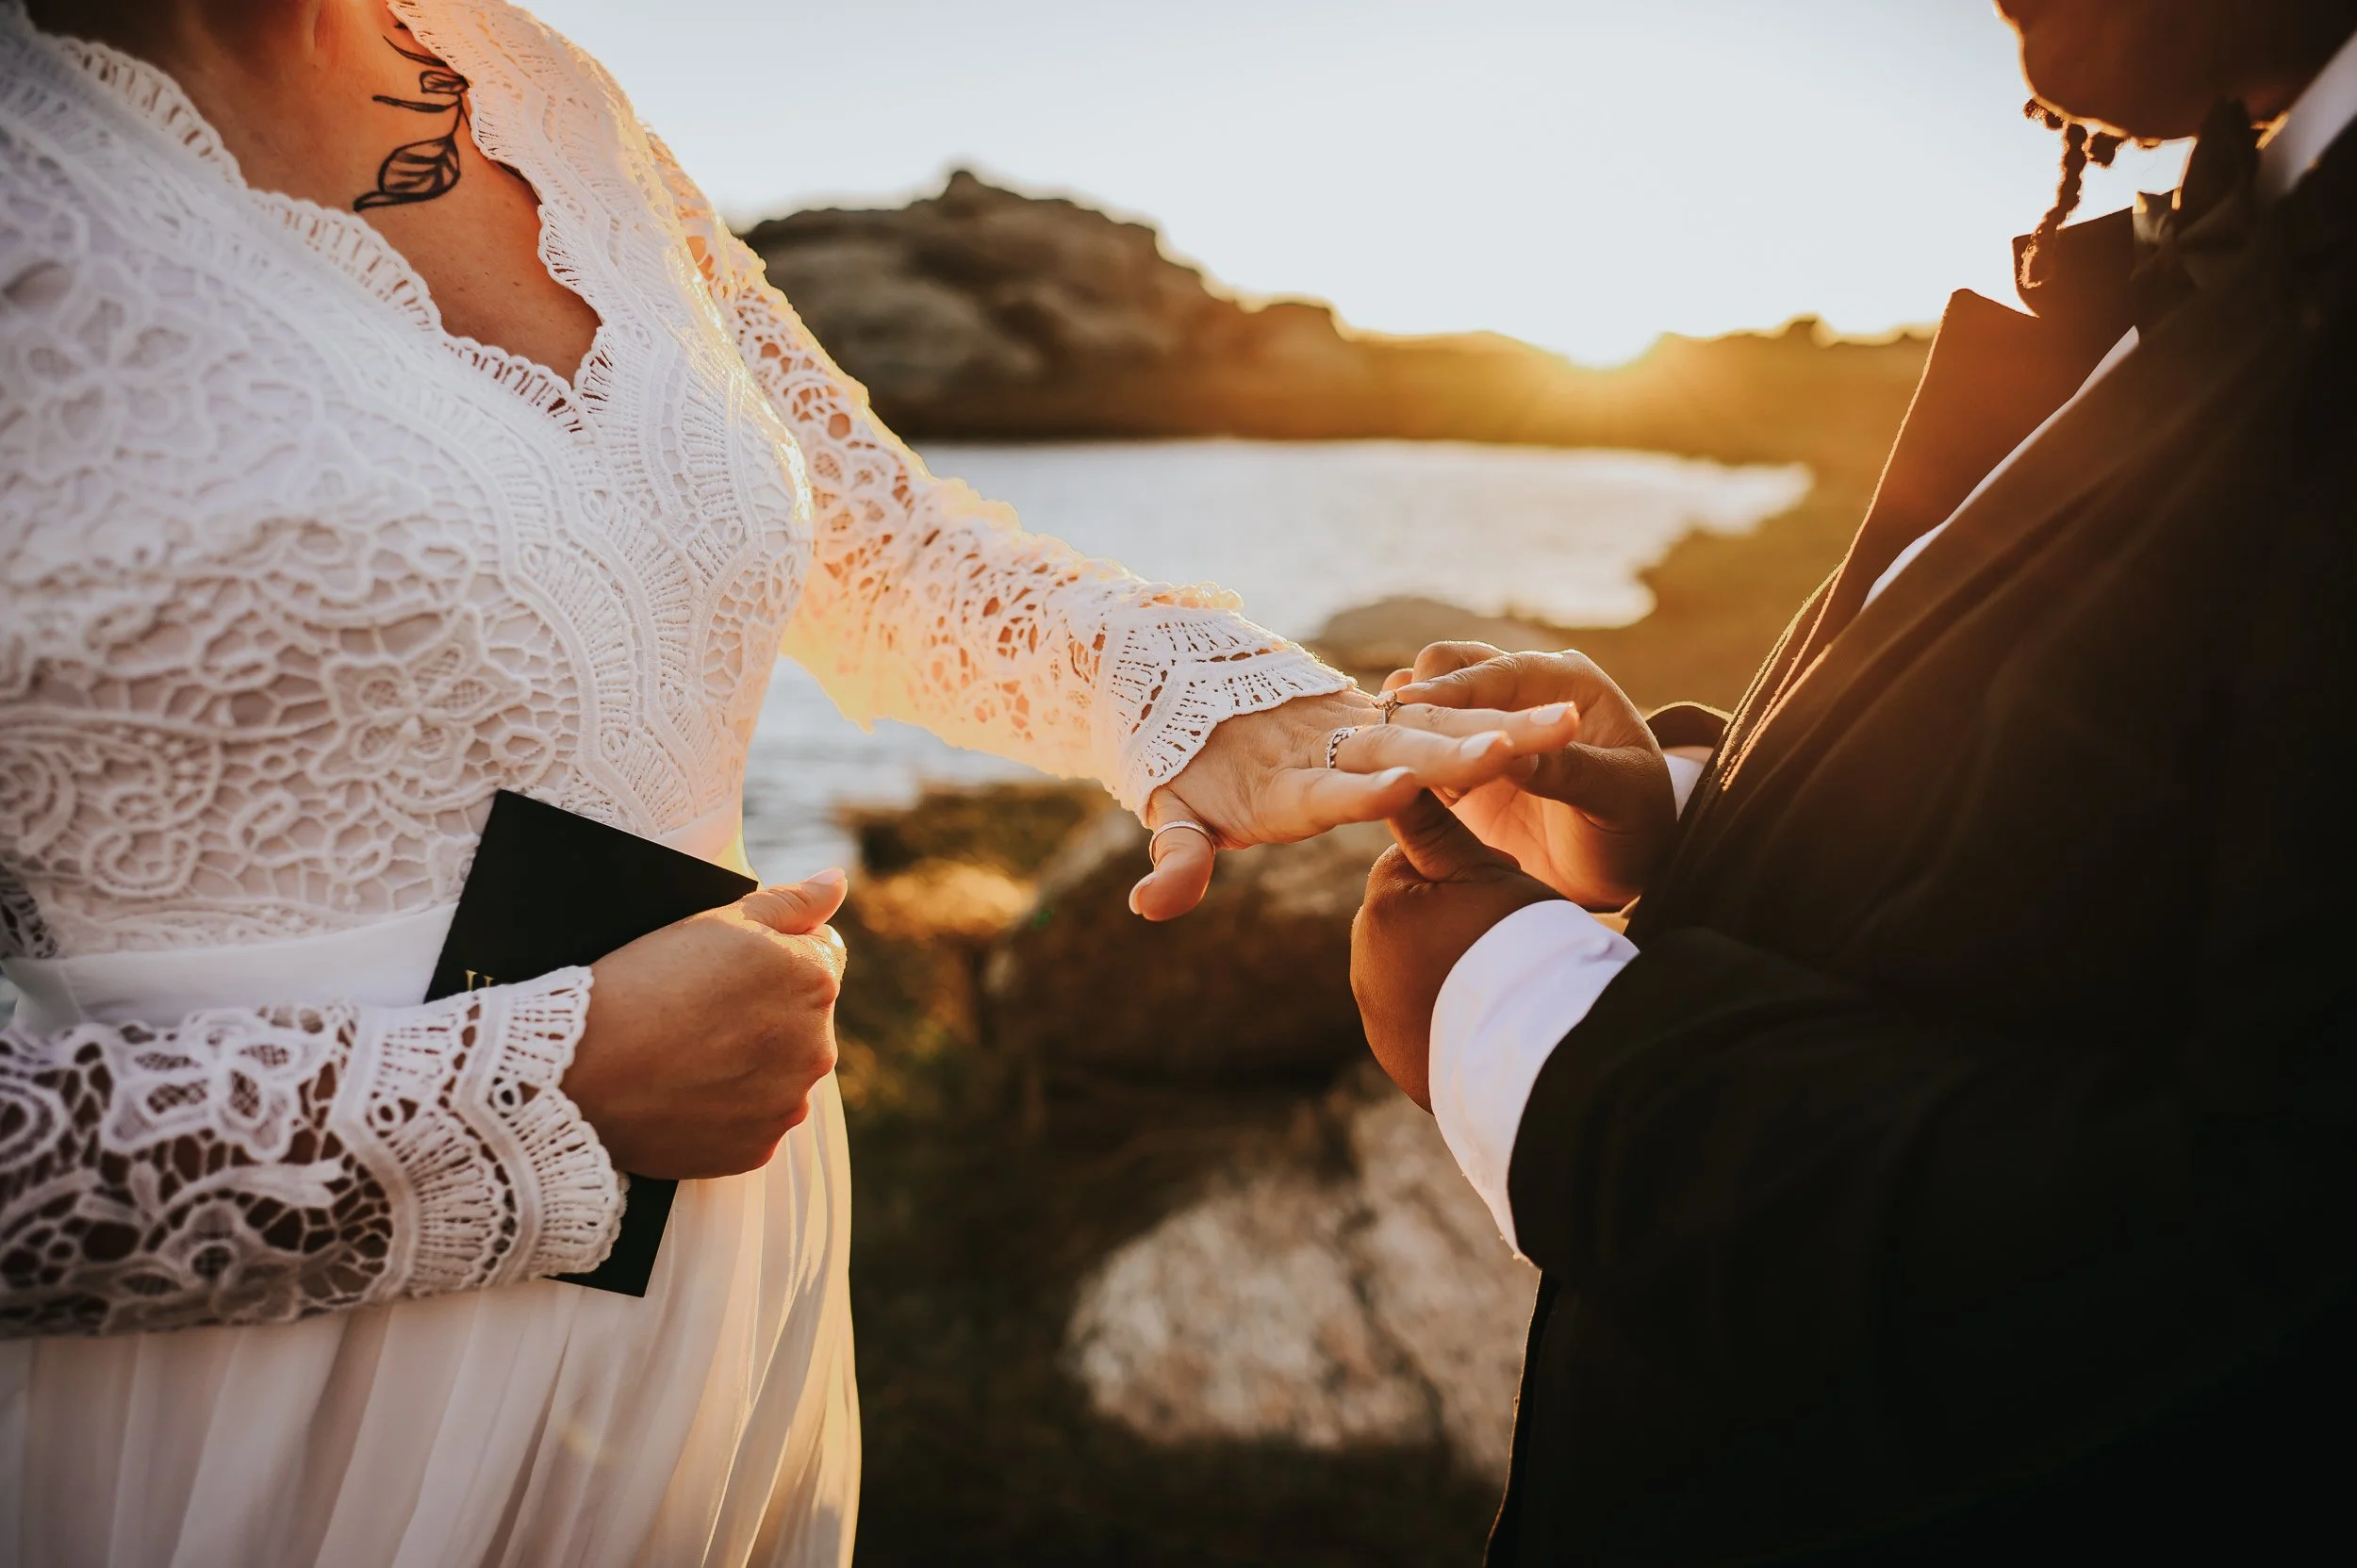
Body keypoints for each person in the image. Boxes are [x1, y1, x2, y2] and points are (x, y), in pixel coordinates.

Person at [0, 2, 1586, 1562]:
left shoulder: (538, 82)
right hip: (247, 1376)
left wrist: (1187, 703)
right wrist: (539, 1090)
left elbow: (871, 543)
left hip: (700, 1264)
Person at [1351, 0, 2357, 1560]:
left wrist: (1524, 1032)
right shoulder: (2273, 218)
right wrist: (1682, 807)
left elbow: (2263, 1273)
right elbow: (2133, 841)